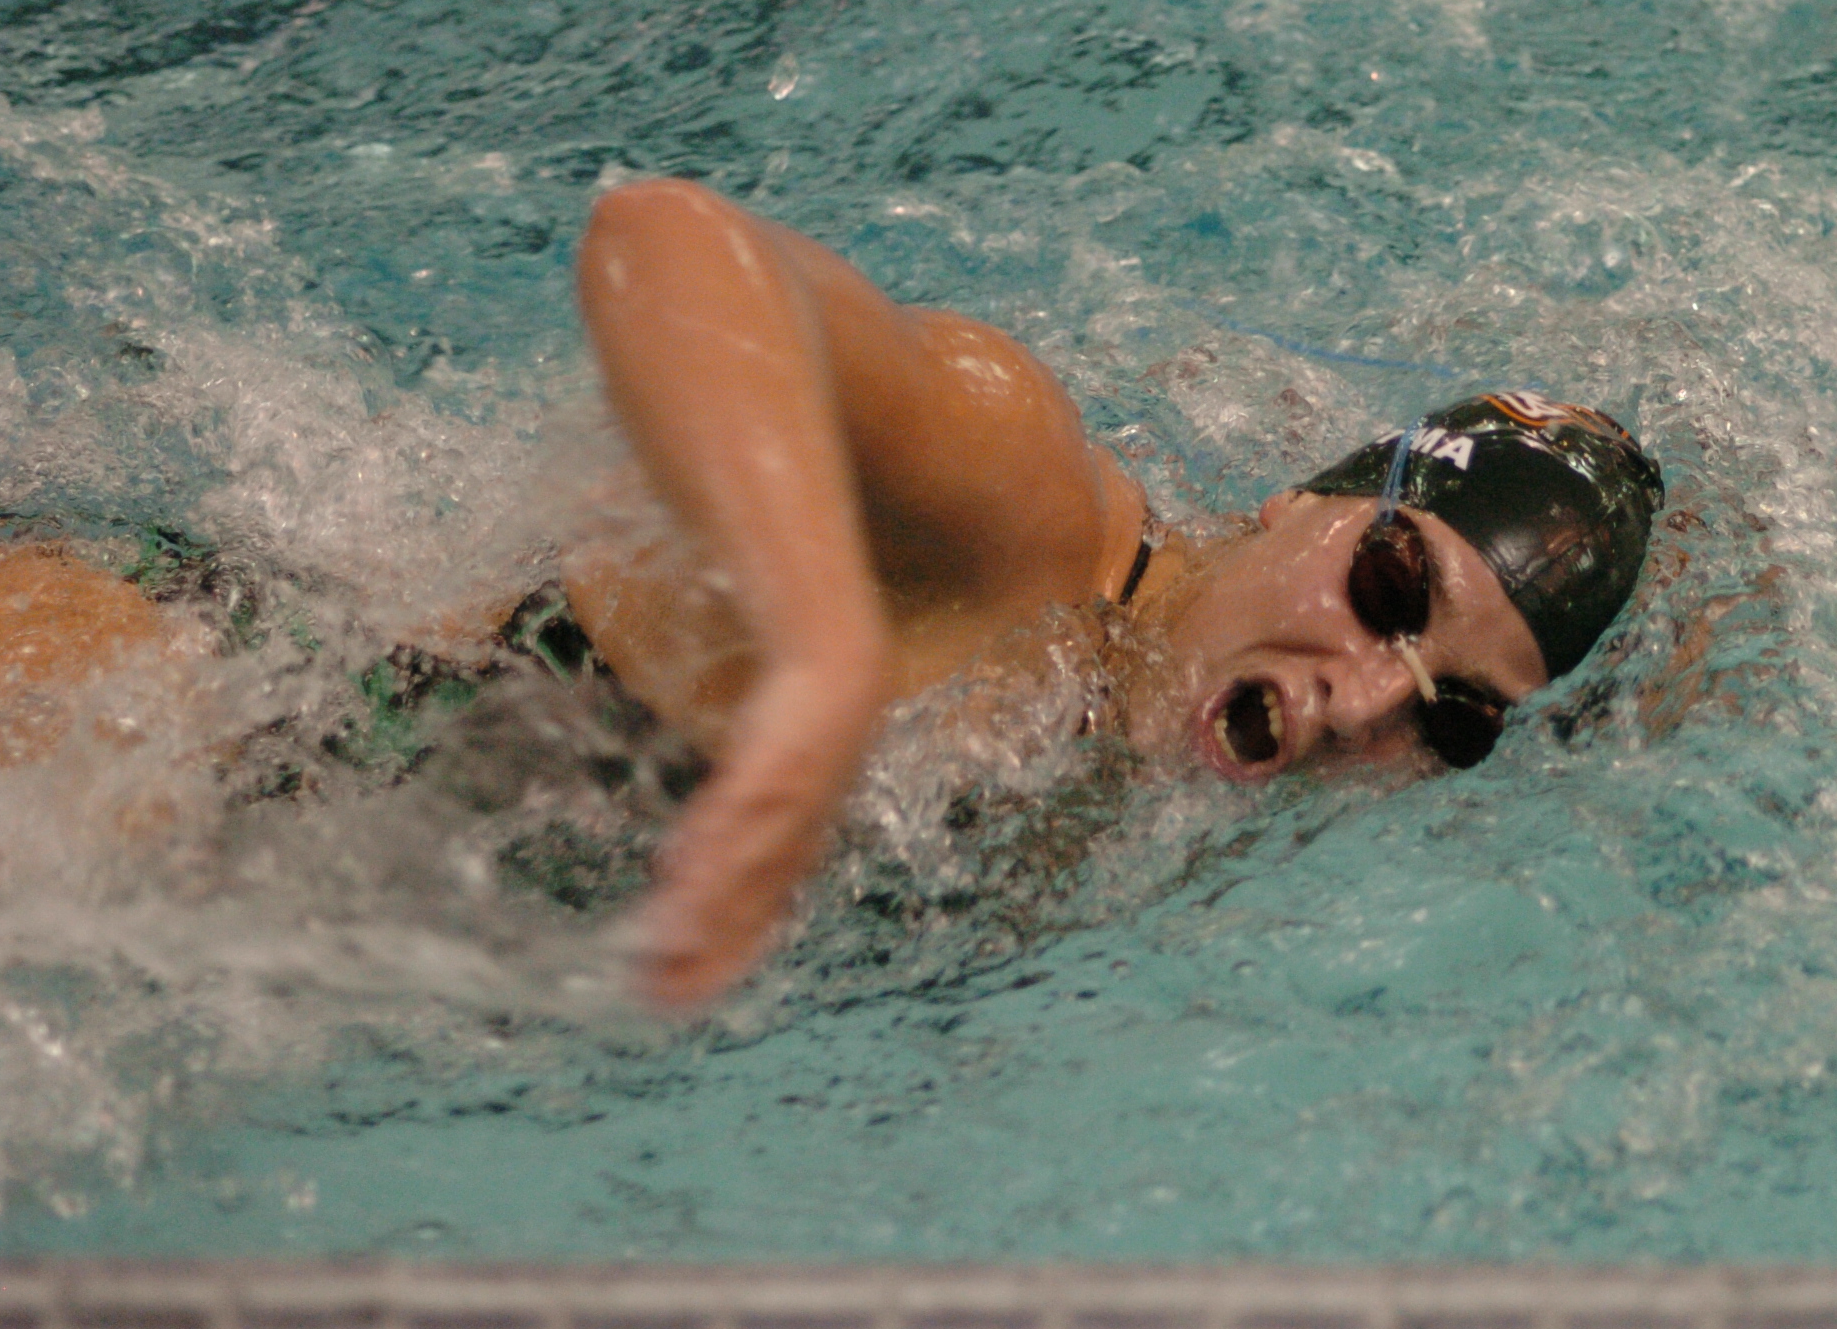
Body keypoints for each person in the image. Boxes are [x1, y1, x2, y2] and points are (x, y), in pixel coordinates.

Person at [564, 178, 1664, 1008]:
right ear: (1299, 501)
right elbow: (665, 242)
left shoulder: (1164, 806)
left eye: (1452, 718)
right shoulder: (1020, 500)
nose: (1368, 702)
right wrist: (823, 656)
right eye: (1388, 589)